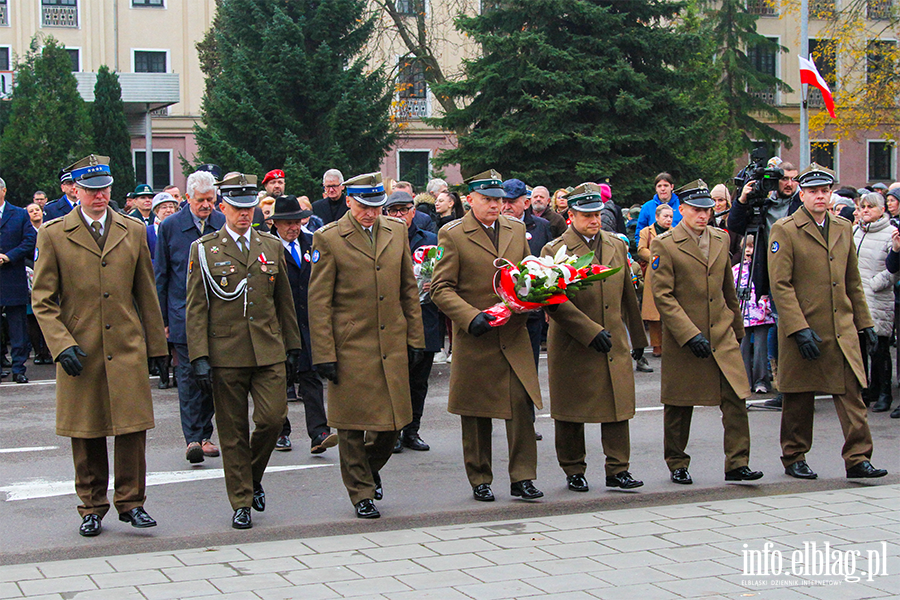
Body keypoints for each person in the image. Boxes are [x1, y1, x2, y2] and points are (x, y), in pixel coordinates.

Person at [32, 154, 168, 537]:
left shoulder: (132, 229)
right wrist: (61, 345)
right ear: (75, 190)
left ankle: (132, 503)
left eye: (105, 189)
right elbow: (42, 299)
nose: (99, 196)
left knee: (131, 428)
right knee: (86, 431)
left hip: (125, 344)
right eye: (91, 190)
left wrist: (158, 347)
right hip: (81, 347)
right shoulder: (55, 233)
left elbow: (146, 292)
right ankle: (91, 506)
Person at [186, 172, 302, 529]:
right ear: (223, 208)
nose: (244, 213)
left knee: (271, 419)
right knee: (232, 430)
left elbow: (285, 301)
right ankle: (241, 500)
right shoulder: (205, 250)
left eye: (249, 206)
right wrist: (199, 356)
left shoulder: (270, 245)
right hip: (226, 352)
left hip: (268, 348)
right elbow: (195, 306)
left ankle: (251, 478)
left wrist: (294, 345)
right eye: (237, 207)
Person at [308, 173, 425, 519]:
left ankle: (369, 472)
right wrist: (324, 353)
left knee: (391, 426)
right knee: (352, 426)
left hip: (392, 342)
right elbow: (319, 303)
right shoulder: (328, 238)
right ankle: (360, 491)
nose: (371, 214)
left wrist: (416, 337)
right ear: (348, 201)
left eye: (376, 207)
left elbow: (408, 289)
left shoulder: (396, 231)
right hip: (351, 346)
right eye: (363, 207)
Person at [768, 164, 887, 480]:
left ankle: (858, 457)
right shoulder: (785, 229)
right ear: (803, 194)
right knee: (798, 398)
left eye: (825, 191)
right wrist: (798, 328)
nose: (820, 196)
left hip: (841, 327)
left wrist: (865, 323)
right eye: (813, 192)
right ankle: (794, 456)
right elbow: (781, 284)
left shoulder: (842, 226)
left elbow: (852, 280)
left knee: (852, 395)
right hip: (804, 328)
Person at [432, 169, 544, 502]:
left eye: (499, 200)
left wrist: (532, 296)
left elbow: (526, 274)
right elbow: (441, 287)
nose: (496, 206)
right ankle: (480, 477)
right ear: (470, 200)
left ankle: (522, 477)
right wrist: (470, 316)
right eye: (488, 200)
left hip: (513, 333)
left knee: (521, 405)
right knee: (476, 410)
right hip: (477, 333)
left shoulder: (517, 228)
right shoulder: (452, 234)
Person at [650, 180, 762, 485]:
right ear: (681, 209)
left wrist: (736, 328)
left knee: (736, 397)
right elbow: (663, 295)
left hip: (721, 331)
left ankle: (737, 462)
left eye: (708, 210)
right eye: (697, 210)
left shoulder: (719, 237)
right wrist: (688, 333)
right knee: (679, 403)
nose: (703, 215)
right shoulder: (666, 243)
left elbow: (727, 285)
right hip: (686, 336)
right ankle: (677, 462)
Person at [542, 183, 648, 492]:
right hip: (573, 341)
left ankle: (618, 469)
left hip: (612, 337)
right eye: (587, 215)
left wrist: (637, 338)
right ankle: (573, 468)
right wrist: (589, 331)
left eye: (598, 214)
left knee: (618, 405)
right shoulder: (555, 250)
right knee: (570, 409)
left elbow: (628, 292)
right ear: (571, 214)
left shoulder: (616, 245)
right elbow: (553, 299)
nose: (594, 220)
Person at [155, 170, 224, 464]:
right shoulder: (171, 227)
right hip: (181, 314)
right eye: (200, 200)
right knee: (187, 378)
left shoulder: (221, 223)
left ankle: (206, 434)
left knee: (212, 377)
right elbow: (161, 275)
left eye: (211, 199)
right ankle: (192, 438)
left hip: (217, 316)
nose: (206, 205)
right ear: (187, 199)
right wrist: (163, 322)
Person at [267, 195, 337, 455]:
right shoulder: (268, 247)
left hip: (308, 324)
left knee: (311, 378)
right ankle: (280, 432)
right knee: (278, 381)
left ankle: (319, 432)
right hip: (279, 325)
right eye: (288, 223)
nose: (293, 227)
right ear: (276, 224)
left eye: (297, 221)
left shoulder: (312, 243)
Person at [728, 161, 801, 411]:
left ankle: (800, 387)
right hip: (771, 278)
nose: (789, 183)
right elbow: (736, 226)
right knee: (781, 333)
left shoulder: (802, 206)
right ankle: (785, 388)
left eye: (794, 178)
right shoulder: (764, 205)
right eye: (784, 179)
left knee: (795, 332)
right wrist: (742, 199)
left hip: (801, 277)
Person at [383, 191, 439, 453]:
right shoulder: (382, 238)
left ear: (413, 212)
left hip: (425, 316)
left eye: (403, 210)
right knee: (395, 379)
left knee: (419, 381)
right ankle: (392, 430)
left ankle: (412, 431)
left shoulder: (429, 240)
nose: (398, 215)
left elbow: (447, 270)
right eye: (393, 211)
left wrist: (435, 282)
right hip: (392, 319)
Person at [852, 192, 897, 413]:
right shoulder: (855, 232)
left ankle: (884, 392)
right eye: (863, 206)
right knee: (859, 348)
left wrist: (872, 284)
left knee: (879, 348)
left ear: (882, 210)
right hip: (856, 297)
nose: (866, 210)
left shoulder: (891, 234)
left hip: (878, 297)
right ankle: (865, 389)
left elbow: (893, 269)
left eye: (871, 206)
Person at [0, 177, 37, 384]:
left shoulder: (20, 214)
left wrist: (9, 256)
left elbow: (30, 241)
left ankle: (19, 368)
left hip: (12, 275)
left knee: (17, 327)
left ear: (4, 190)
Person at [733, 235, 774, 394]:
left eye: (752, 247)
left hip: (761, 315)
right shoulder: (736, 270)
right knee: (742, 349)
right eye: (747, 247)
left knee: (760, 349)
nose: (749, 250)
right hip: (743, 315)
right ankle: (745, 381)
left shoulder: (764, 269)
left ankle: (761, 380)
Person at [637, 203, 673, 359]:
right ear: (657, 217)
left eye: (671, 216)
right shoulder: (647, 232)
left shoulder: (675, 232)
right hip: (653, 273)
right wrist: (656, 257)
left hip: (671, 273)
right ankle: (656, 344)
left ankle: (670, 344)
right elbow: (641, 249)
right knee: (653, 314)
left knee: (670, 310)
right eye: (665, 216)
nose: (668, 219)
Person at [146, 192, 178, 262]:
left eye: (171, 207)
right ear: (156, 211)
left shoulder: (181, 228)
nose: (168, 210)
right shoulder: (148, 231)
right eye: (164, 207)